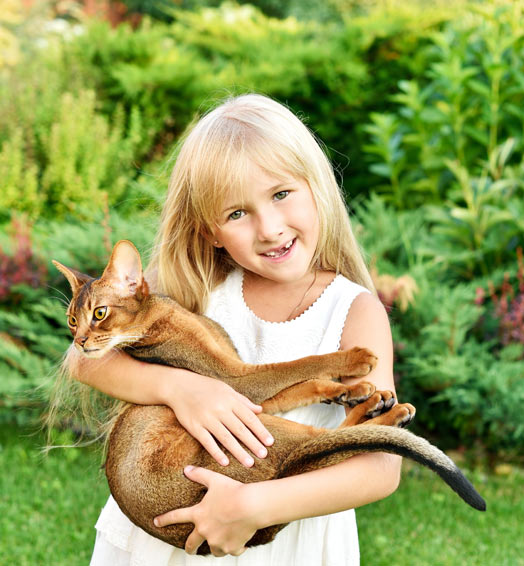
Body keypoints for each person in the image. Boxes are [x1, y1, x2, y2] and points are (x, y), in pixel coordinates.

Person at [74, 93, 400, 565]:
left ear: (317, 187)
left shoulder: (353, 310)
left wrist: (251, 506)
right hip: (168, 544)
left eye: (282, 194)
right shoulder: (194, 285)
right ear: (209, 230)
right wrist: (179, 388)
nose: (269, 228)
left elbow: (382, 466)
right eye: (237, 213)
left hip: (287, 542)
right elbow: (83, 360)